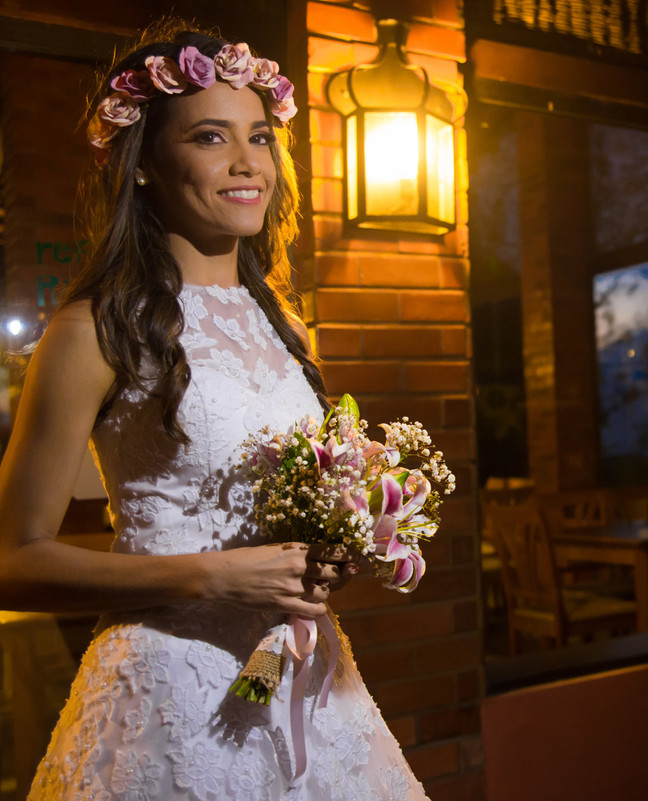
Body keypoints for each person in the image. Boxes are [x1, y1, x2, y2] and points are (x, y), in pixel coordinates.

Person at [0, 21, 428, 800]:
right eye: (209, 137)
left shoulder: (285, 326)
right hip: (172, 697)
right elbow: (13, 559)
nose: (247, 163)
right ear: (143, 164)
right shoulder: (96, 329)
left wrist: (329, 550)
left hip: (301, 681)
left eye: (259, 137)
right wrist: (212, 576)